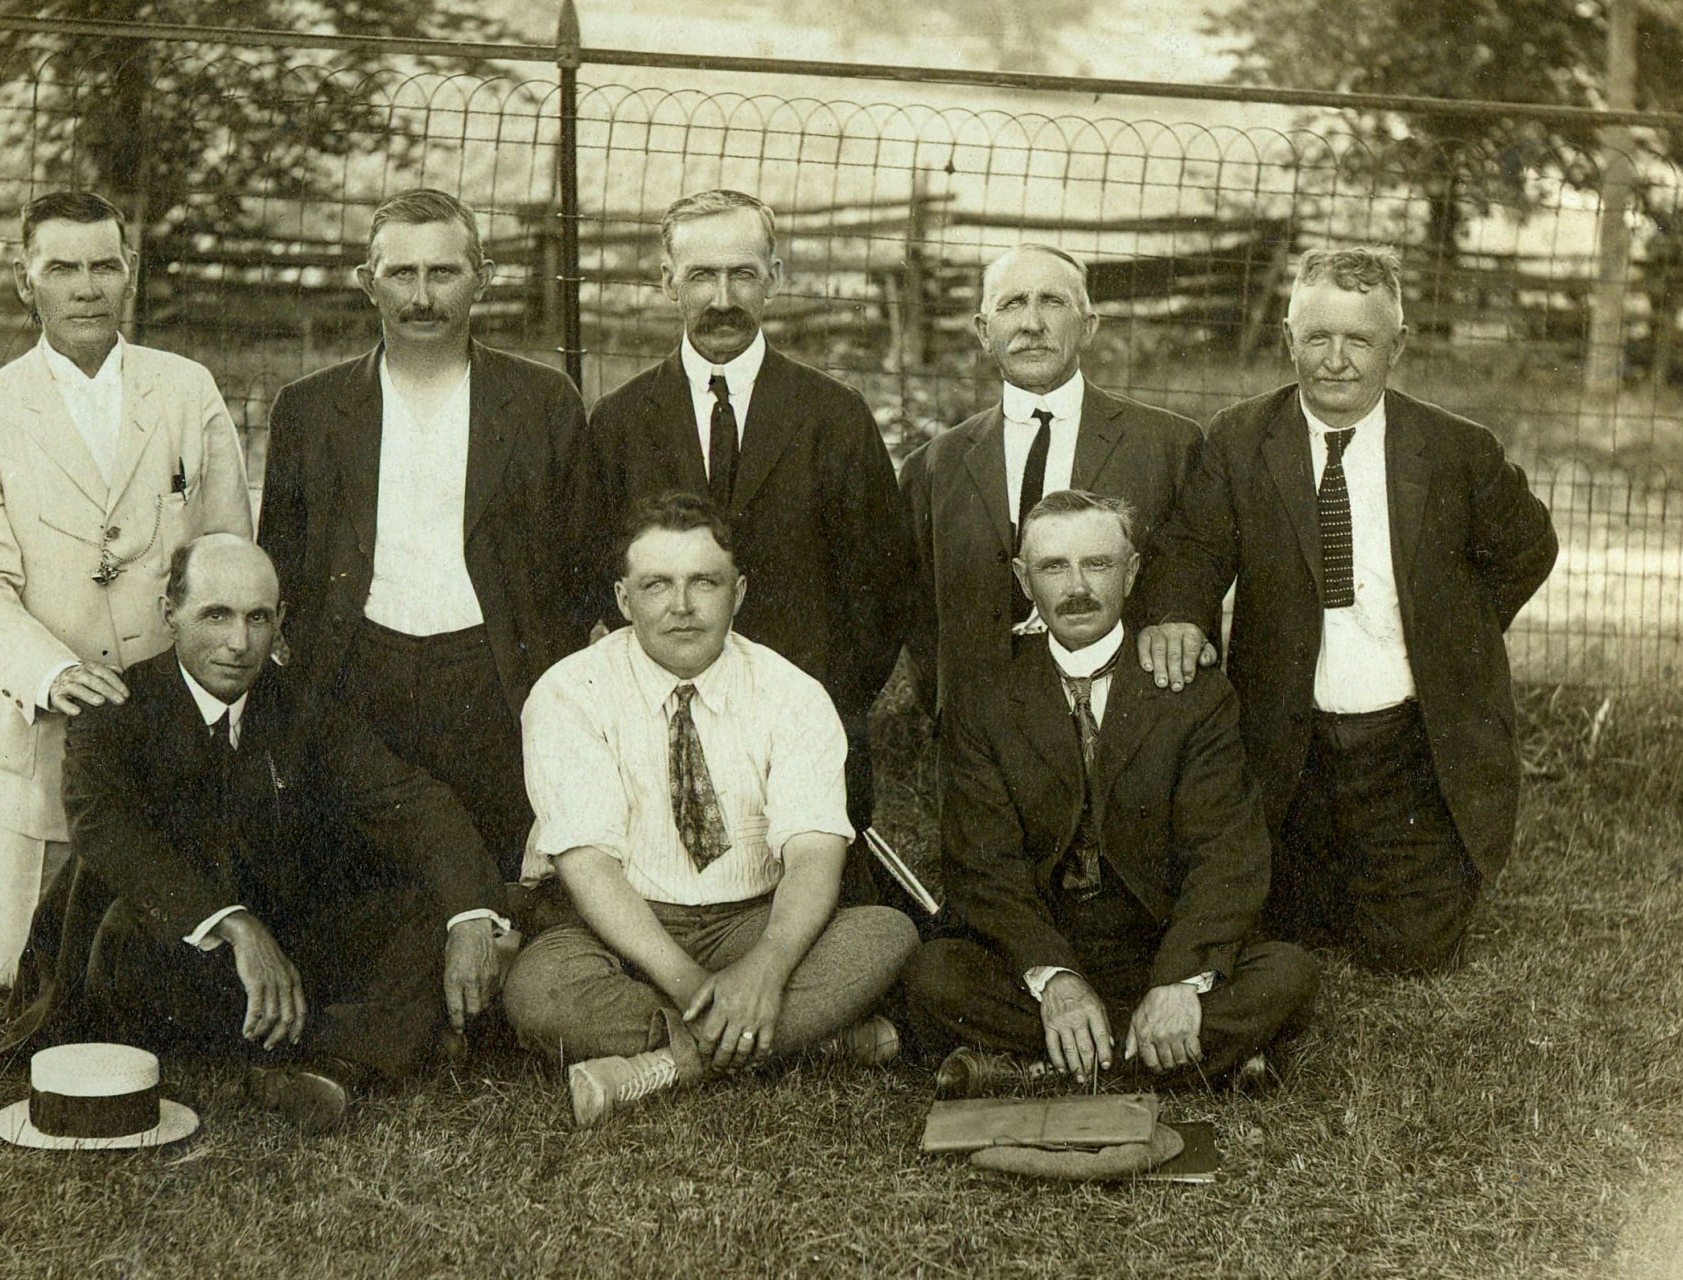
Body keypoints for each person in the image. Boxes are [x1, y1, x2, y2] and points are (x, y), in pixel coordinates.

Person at [1136, 246, 1559, 973]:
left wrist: (1454, 635)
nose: (1336, 360)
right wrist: (1177, 611)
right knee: (1283, 923)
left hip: (1409, 744)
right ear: (1287, 338)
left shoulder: (1457, 450)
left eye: (1360, 340)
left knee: (1411, 952)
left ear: (1397, 346)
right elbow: (1194, 546)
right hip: (1289, 743)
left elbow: (1529, 547)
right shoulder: (1242, 439)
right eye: (1318, 337)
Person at [61, 535, 510, 1132]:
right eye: (215, 615)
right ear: (170, 615)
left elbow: (414, 801)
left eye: (258, 618)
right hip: (177, 941)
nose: (238, 642)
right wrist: (236, 926)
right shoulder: (116, 709)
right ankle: (349, 1047)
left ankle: (313, 1058)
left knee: (429, 911)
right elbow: (111, 837)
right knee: (126, 936)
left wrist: (471, 917)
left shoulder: (304, 708)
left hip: (289, 941)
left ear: (280, 624)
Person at [502, 492, 919, 1127]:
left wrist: (767, 969)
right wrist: (696, 988)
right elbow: (587, 866)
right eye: (657, 585)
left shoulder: (793, 693)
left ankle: (663, 1064)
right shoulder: (569, 691)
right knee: (539, 993)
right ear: (622, 599)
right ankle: (813, 1040)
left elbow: (813, 855)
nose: (681, 606)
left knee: (885, 936)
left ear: (739, 592)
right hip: (614, 929)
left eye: (704, 582)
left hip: (751, 921)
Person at [0, 190, 252, 988]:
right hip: (42, 737)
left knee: (178, 956)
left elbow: (230, 551)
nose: (86, 287)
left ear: (129, 275)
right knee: (24, 971)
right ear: (24, 281)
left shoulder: (184, 390)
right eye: (61, 268)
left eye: (105, 265)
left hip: (169, 734)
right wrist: (52, 672)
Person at [902, 491, 1316, 1088]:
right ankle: (1179, 1057)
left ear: (1133, 571)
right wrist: (1055, 979)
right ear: (1023, 579)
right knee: (935, 974)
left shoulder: (1192, 693)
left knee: (1288, 972)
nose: (1077, 587)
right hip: (1048, 943)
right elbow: (982, 866)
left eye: (1098, 564)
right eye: (1053, 567)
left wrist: (1178, 982)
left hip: (1158, 940)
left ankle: (1040, 1065)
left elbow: (1227, 855)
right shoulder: (985, 698)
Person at [587, 190, 914, 904]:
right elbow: (598, 585)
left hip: (808, 726)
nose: (723, 298)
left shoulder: (833, 416)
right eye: (702, 275)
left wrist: (818, 703)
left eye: (743, 274)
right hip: (666, 731)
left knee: (817, 920)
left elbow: (882, 593)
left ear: (776, 274)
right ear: (665, 278)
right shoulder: (619, 424)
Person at [257, 189, 592, 882]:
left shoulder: (541, 401)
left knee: (496, 872)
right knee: (360, 876)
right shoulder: (310, 410)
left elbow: (579, 563)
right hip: (357, 672)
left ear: (483, 278)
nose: (421, 298)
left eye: (443, 273)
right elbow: (282, 561)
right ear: (366, 282)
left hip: (492, 678)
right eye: (400, 275)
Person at [900, 244, 1202, 722]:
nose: (1032, 324)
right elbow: (918, 615)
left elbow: (1190, 586)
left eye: (1053, 302)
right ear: (984, 331)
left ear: (1089, 326)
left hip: (1130, 722)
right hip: (983, 732)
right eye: (1012, 304)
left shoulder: (1168, 446)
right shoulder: (936, 465)